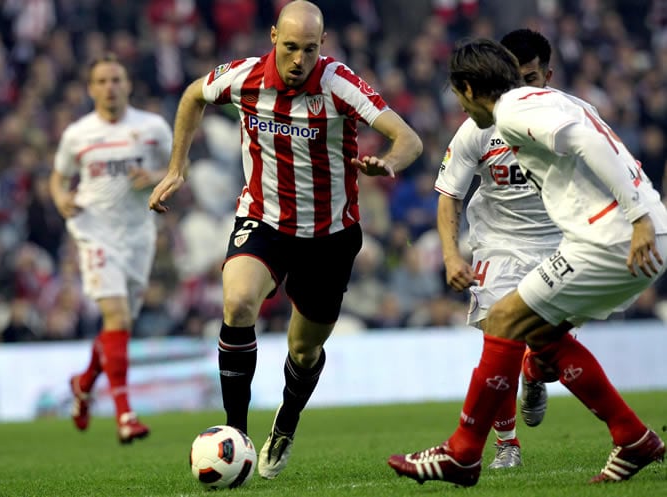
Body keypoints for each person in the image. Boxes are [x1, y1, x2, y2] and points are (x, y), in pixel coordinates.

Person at [148, 0, 422, 479]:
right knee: (236, 305)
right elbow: (193, 95)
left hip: (329, 235)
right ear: (273, 37)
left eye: (310, 49)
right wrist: (177, 166)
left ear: (323, 46)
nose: (299, 59)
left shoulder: (339, 84)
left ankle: (287, 421)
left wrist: (391, 163)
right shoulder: (245, 78)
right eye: (291, 47)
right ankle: (236, 436)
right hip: (264, 220)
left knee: (303, 351)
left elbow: (409, 139)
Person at [388, 38, 667, 486]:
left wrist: (637, 217)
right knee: (535, 332)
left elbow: (583, 140)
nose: (460, 109)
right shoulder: (546, 101)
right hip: (608, 235)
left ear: (468, 88)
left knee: (503, 321)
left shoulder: (515, 112)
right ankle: (632, 436)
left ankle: (462, 453)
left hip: (614, 238)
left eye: (458, 97)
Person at [435, 29, 562, 469]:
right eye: (512, 76)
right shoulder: (478, 128)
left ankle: (535, 370)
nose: (520, 88)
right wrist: (453, 256)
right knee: (498, 338)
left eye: (530, 77)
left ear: (548, 74)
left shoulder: (568, 117)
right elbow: (449, 193)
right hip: (499, 245)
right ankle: (507, 444)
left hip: (558, 242)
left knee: (551, 350)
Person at [50, 53, 173, 443]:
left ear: (128, 84)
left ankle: (83, 384)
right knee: (117, 318)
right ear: (91, 89)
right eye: (101, 81)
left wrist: (154, 176)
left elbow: (176, 171)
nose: (110, 87)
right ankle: (125, 415)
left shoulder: (152, 128)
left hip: (139, 235)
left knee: (117, 328)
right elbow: (58, 178)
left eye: (116, 79)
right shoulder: (78, 134)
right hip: (95, 231)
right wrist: (60, 199)